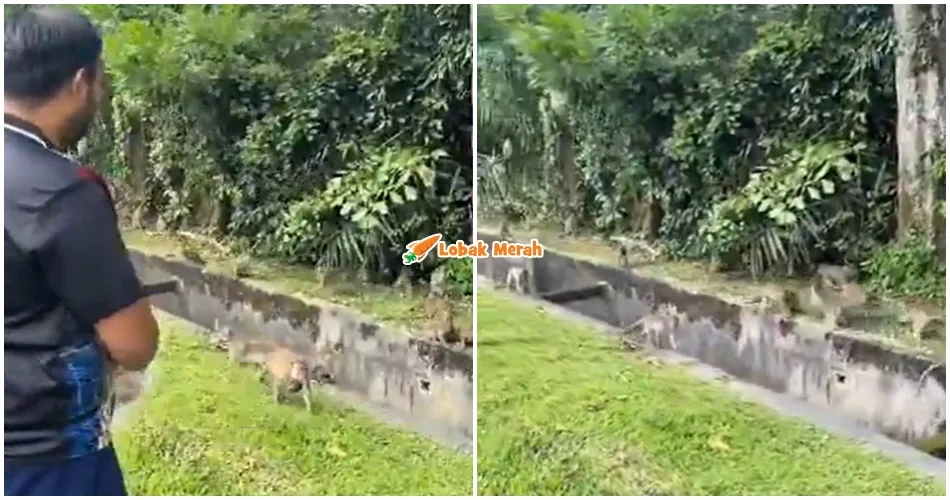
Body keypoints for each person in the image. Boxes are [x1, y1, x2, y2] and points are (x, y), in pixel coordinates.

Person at [4, 7, 161, 496]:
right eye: (101, 82)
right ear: (80, 81)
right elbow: (136, 345)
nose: (101, 95)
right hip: (43, 459)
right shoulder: (62, 192)